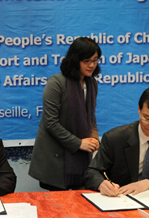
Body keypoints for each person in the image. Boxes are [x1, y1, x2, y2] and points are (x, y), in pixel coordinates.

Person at [83, 86, 149, 196]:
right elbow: (91, 172)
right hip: (122, 199)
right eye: (146, 118)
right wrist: (101, 183)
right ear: (139, 109)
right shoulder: (114, 138)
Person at [29, 37, 102, 191]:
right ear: (76, 60)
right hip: (55, 158)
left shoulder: (92, 83)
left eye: (95, 60)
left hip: (81, 158)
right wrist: (79, 143)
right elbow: (51, 123)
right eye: (87, 60)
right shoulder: (56, 82)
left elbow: (90, 116)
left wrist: (94, 136)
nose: (91, 65)